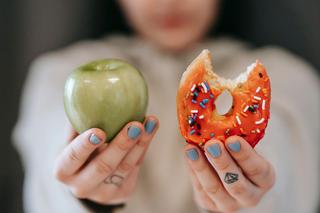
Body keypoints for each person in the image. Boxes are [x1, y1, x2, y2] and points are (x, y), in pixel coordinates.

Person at [12, 0, 320, 212]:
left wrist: (255, 196)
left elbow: (284, 150)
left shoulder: (290, 76)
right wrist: (81, 195)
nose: (168, 1)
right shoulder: (56, 73)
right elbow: (47, 163)